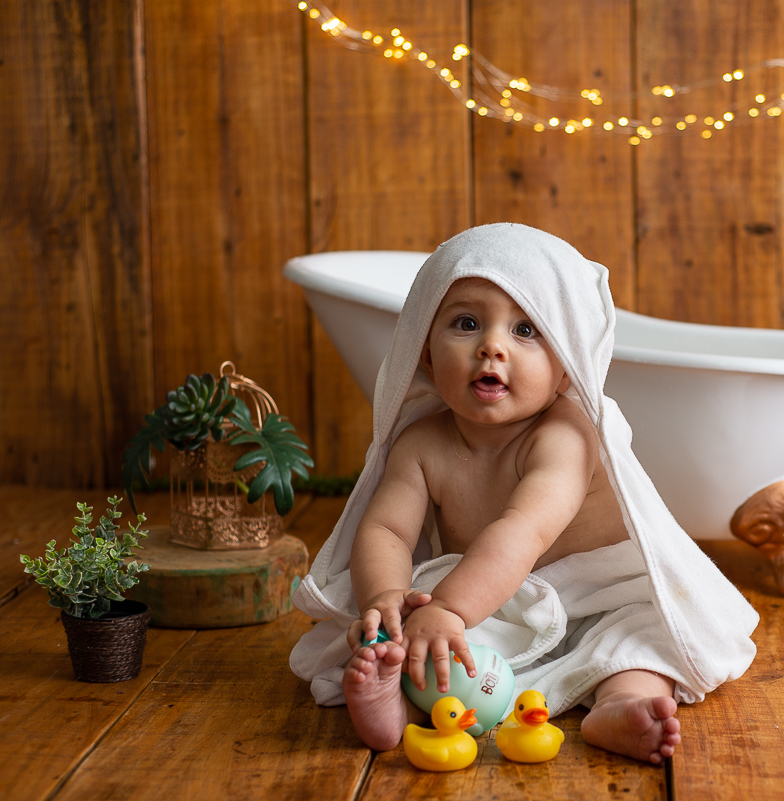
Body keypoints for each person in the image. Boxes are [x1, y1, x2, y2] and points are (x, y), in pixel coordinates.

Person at [289, 223, 758, 765]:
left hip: (601, 597)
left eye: (527, 330)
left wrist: (450, 608)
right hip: (497, 597)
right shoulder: (420, 444)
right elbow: (386, 529)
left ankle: (622, 704)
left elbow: (522, 531)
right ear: (422, 350)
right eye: (466, 323)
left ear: (565, 367)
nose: (492, 346)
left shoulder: (567, 436)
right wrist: (386, 601)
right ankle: (396, 701)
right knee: (432, 647)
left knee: (642, 641)